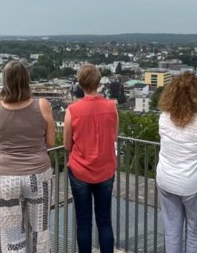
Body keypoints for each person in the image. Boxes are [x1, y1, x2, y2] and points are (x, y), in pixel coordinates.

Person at [0, 60, 56, 253]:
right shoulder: (43, 105)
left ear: (4, 81)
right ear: (27, 80)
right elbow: (51, 142)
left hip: (6, 178)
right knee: (40, 230)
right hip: (38, 175)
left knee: (11, 235)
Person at [156, 72, 197, 253]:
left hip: (166, 179)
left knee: (172, 230)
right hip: (194, 183)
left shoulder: (163, 118)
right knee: (196, 232)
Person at [64, 64, 118, 253]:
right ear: (99, 81)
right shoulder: (111, 106)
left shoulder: (72, 109)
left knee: (83, 222)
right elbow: (114, 136)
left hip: (80, 171)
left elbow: (66, 144)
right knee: (104, 221)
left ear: (80, 83)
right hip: (105, 169)